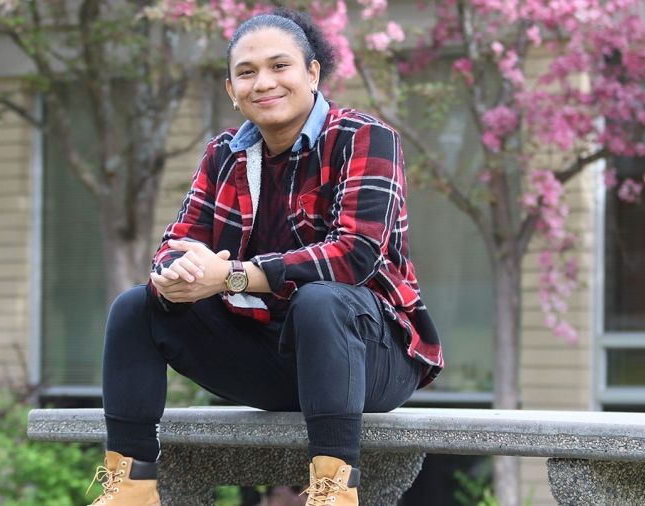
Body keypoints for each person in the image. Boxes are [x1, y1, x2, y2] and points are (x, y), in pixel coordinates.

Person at [91, 8, 442, 506]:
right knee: (137, 305)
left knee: (320, 300)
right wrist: (175, 273)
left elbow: (355, 255)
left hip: (367, 358)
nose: (264, 83)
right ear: (231, 90)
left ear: (313, 72)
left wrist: (233, 276)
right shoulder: (224, 155)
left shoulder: (364, 138)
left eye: (280, 66)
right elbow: (177, 242)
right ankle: (130, 488)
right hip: (272, 357)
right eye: (247, 72)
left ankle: (334, 491)